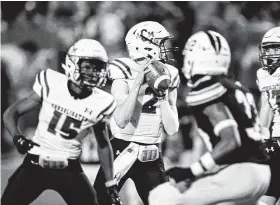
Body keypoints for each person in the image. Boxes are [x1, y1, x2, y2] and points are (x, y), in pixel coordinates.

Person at [149, 30, 271, 205]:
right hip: (261, 173)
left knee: (163, 196)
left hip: (240, 173)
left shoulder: (207, 87)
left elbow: (231, 140)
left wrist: (192, 170)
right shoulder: (236, 87)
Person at [2, 39, 121, 205]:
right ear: (72, 63)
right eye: (87, 67)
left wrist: (111, 183)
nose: (93, 73)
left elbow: (103, 144)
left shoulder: (102, 102)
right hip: (36, 162)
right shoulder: (51, 82)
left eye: (97, 68)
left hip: (69, 168)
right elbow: (11, 113)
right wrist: (17, 137)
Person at [93, 21, 180, 205]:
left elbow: (172, 129)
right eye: (161, 42)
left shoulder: (170, 73)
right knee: (98, 200)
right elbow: (121, 119)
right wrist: (139, 83)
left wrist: (162, 97)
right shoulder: (123, 68)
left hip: (152, 153)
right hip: (123, 148)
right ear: (145, 45)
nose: (167, 48)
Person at [257, 26, 280, 205]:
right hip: (276, 141)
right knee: (267, 194)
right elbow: (266, 105)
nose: (270, 53)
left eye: (276, 48)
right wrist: (263, 135)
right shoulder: (263, 74)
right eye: (268, 48)